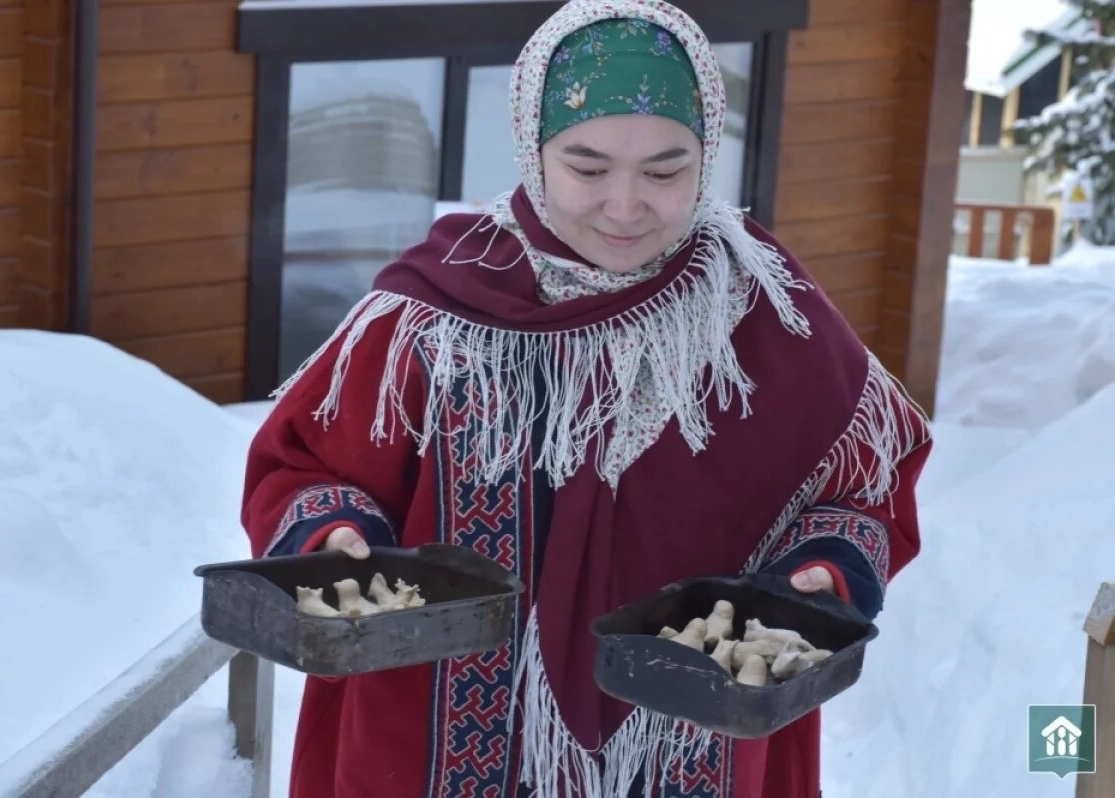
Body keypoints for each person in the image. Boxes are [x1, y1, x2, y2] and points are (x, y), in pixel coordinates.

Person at [241, 0, 932, 795]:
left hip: (691, 750)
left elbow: (866, 483)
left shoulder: (767, 312)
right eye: (588, 166)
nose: (626, 205)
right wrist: (336, 537)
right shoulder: (433, 317)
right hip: (436, 742)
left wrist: (826, 567)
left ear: (708, 155)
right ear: (533, 151)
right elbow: (301, 465)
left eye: (667, 170)